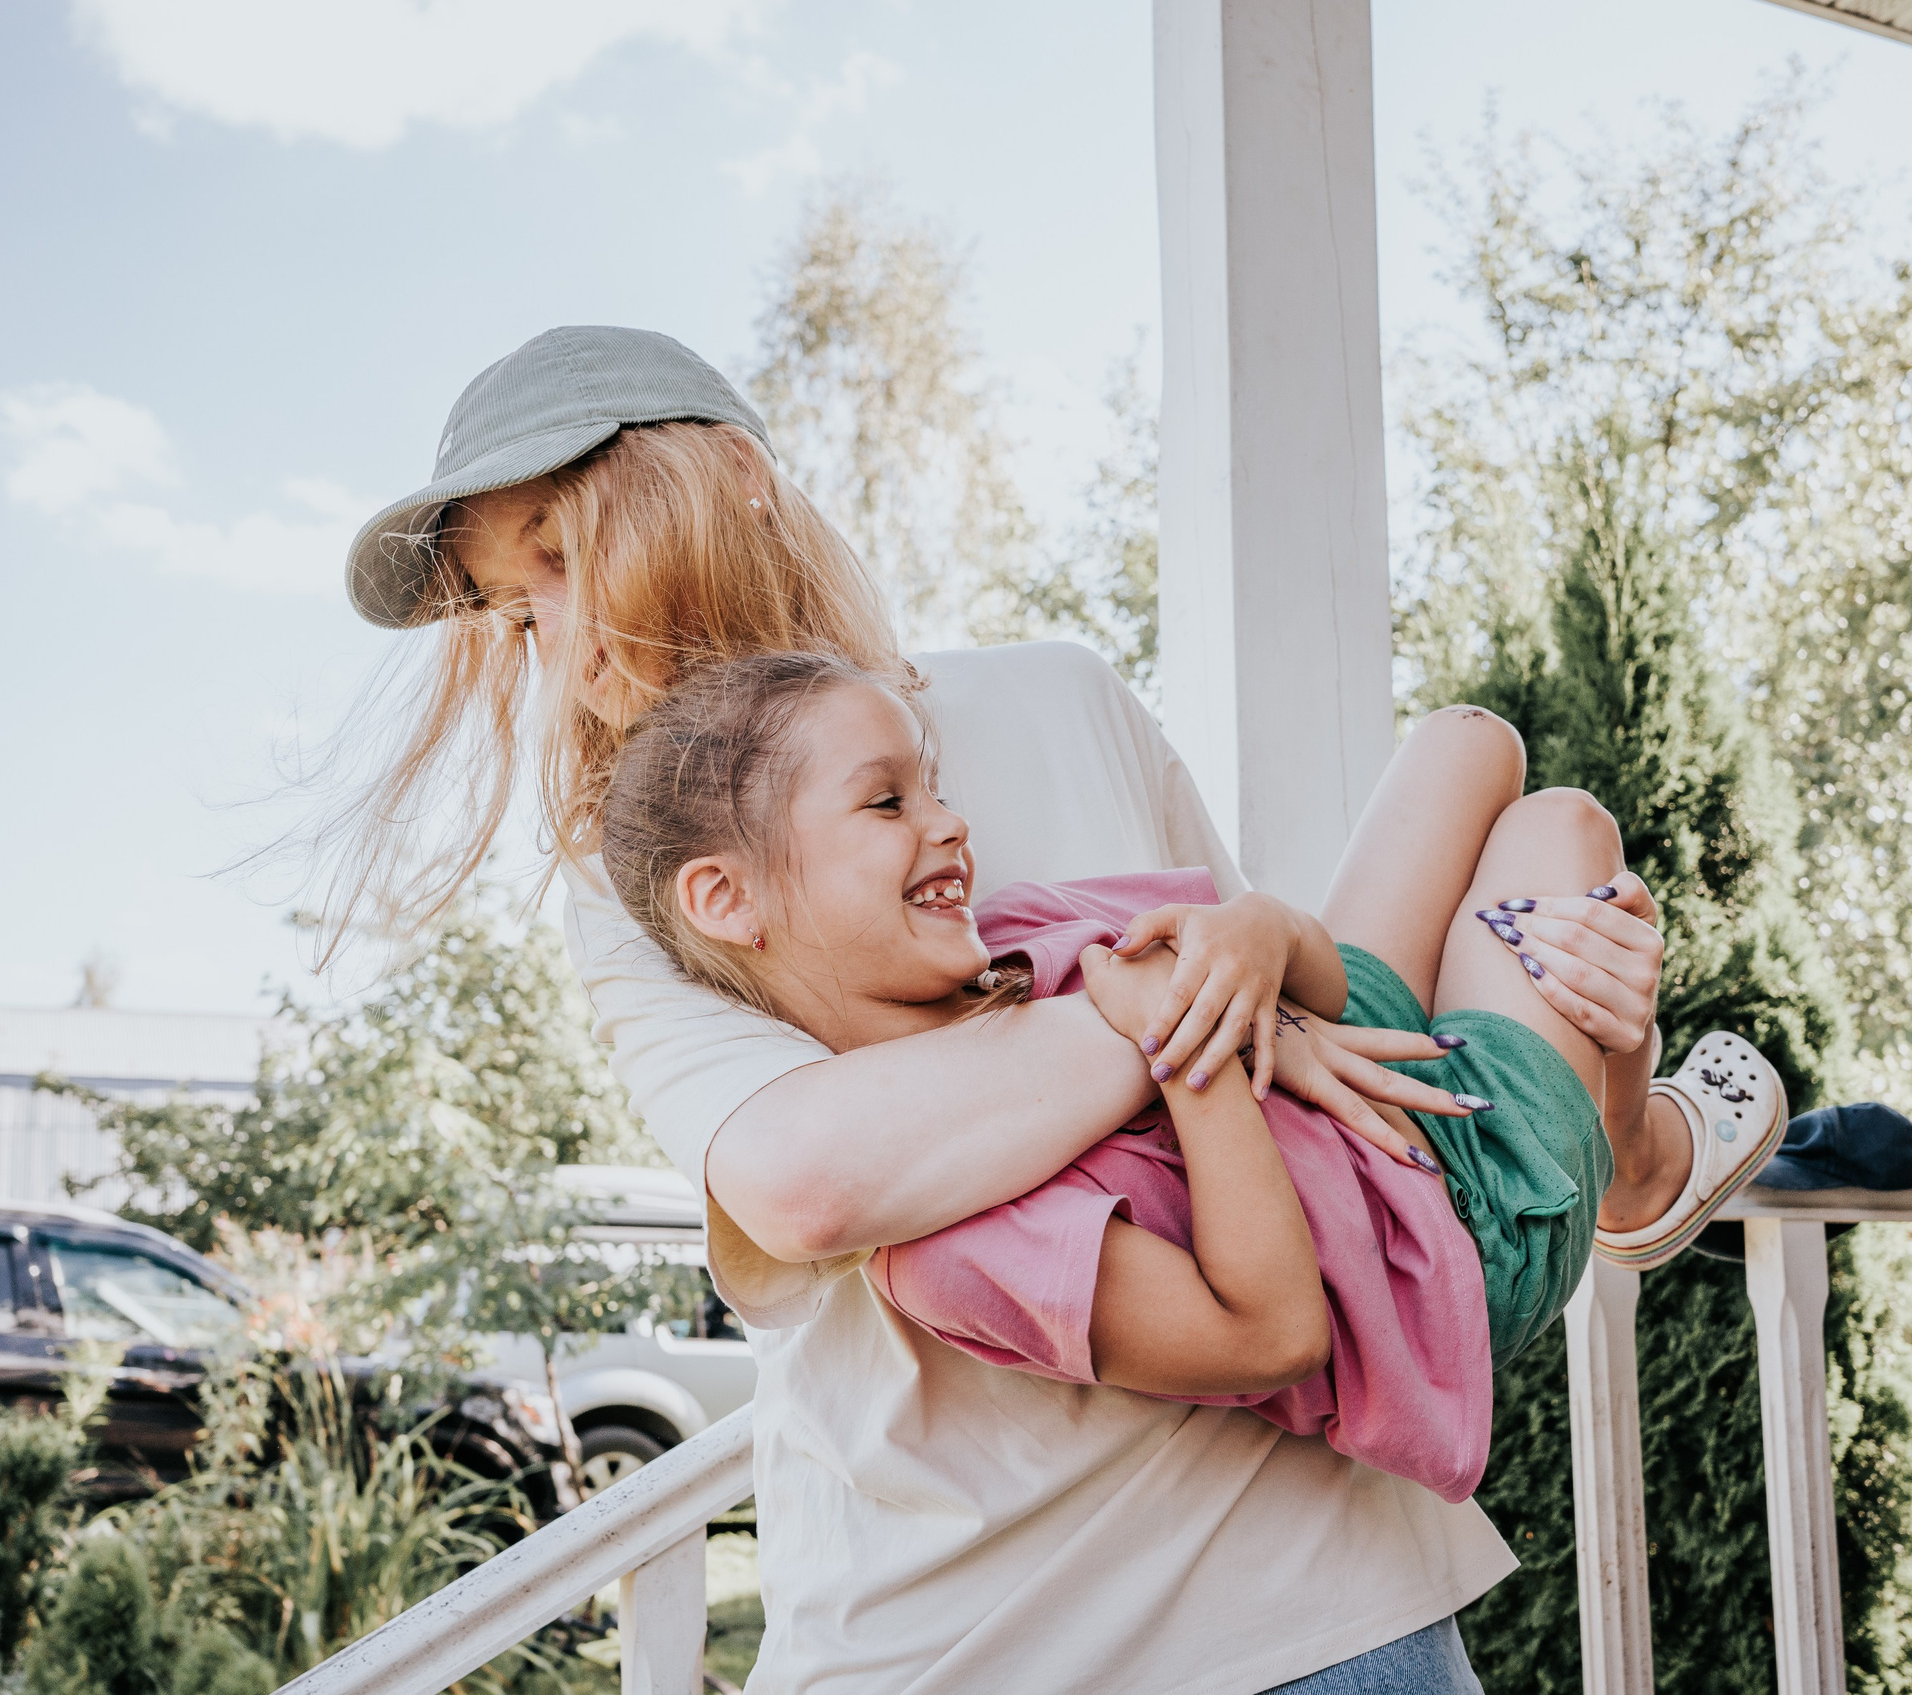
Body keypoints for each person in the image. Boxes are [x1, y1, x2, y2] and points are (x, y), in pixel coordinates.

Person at [333, 325, 1722, 1692]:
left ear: (733, 479)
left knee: (1522, 797)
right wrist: (1172, 1011)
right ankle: (1640, 1148)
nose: (561, 640)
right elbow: (808, 1179)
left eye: (567, 555)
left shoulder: (1061, 695)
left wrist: (1264, 998)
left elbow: (1304, 1081)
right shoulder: (647, 880)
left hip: (1316, 1601)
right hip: (952, 1637)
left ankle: (1638, 1143)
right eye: (520, 604)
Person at [597, 651, 1789, 1504]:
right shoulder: (945, 1252)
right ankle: (1630, 1167)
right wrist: (1182, 1046)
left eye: (937, 787)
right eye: (887, 801)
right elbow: (1271, 1333)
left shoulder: (1023, 928)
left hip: (1361, 1060)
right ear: (727, 899)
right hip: (1454, 1211)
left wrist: (1265, 932)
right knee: (1562, 831)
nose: (950, 824)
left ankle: (1626, 1135)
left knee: (1471, 741)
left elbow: (1302, 984)